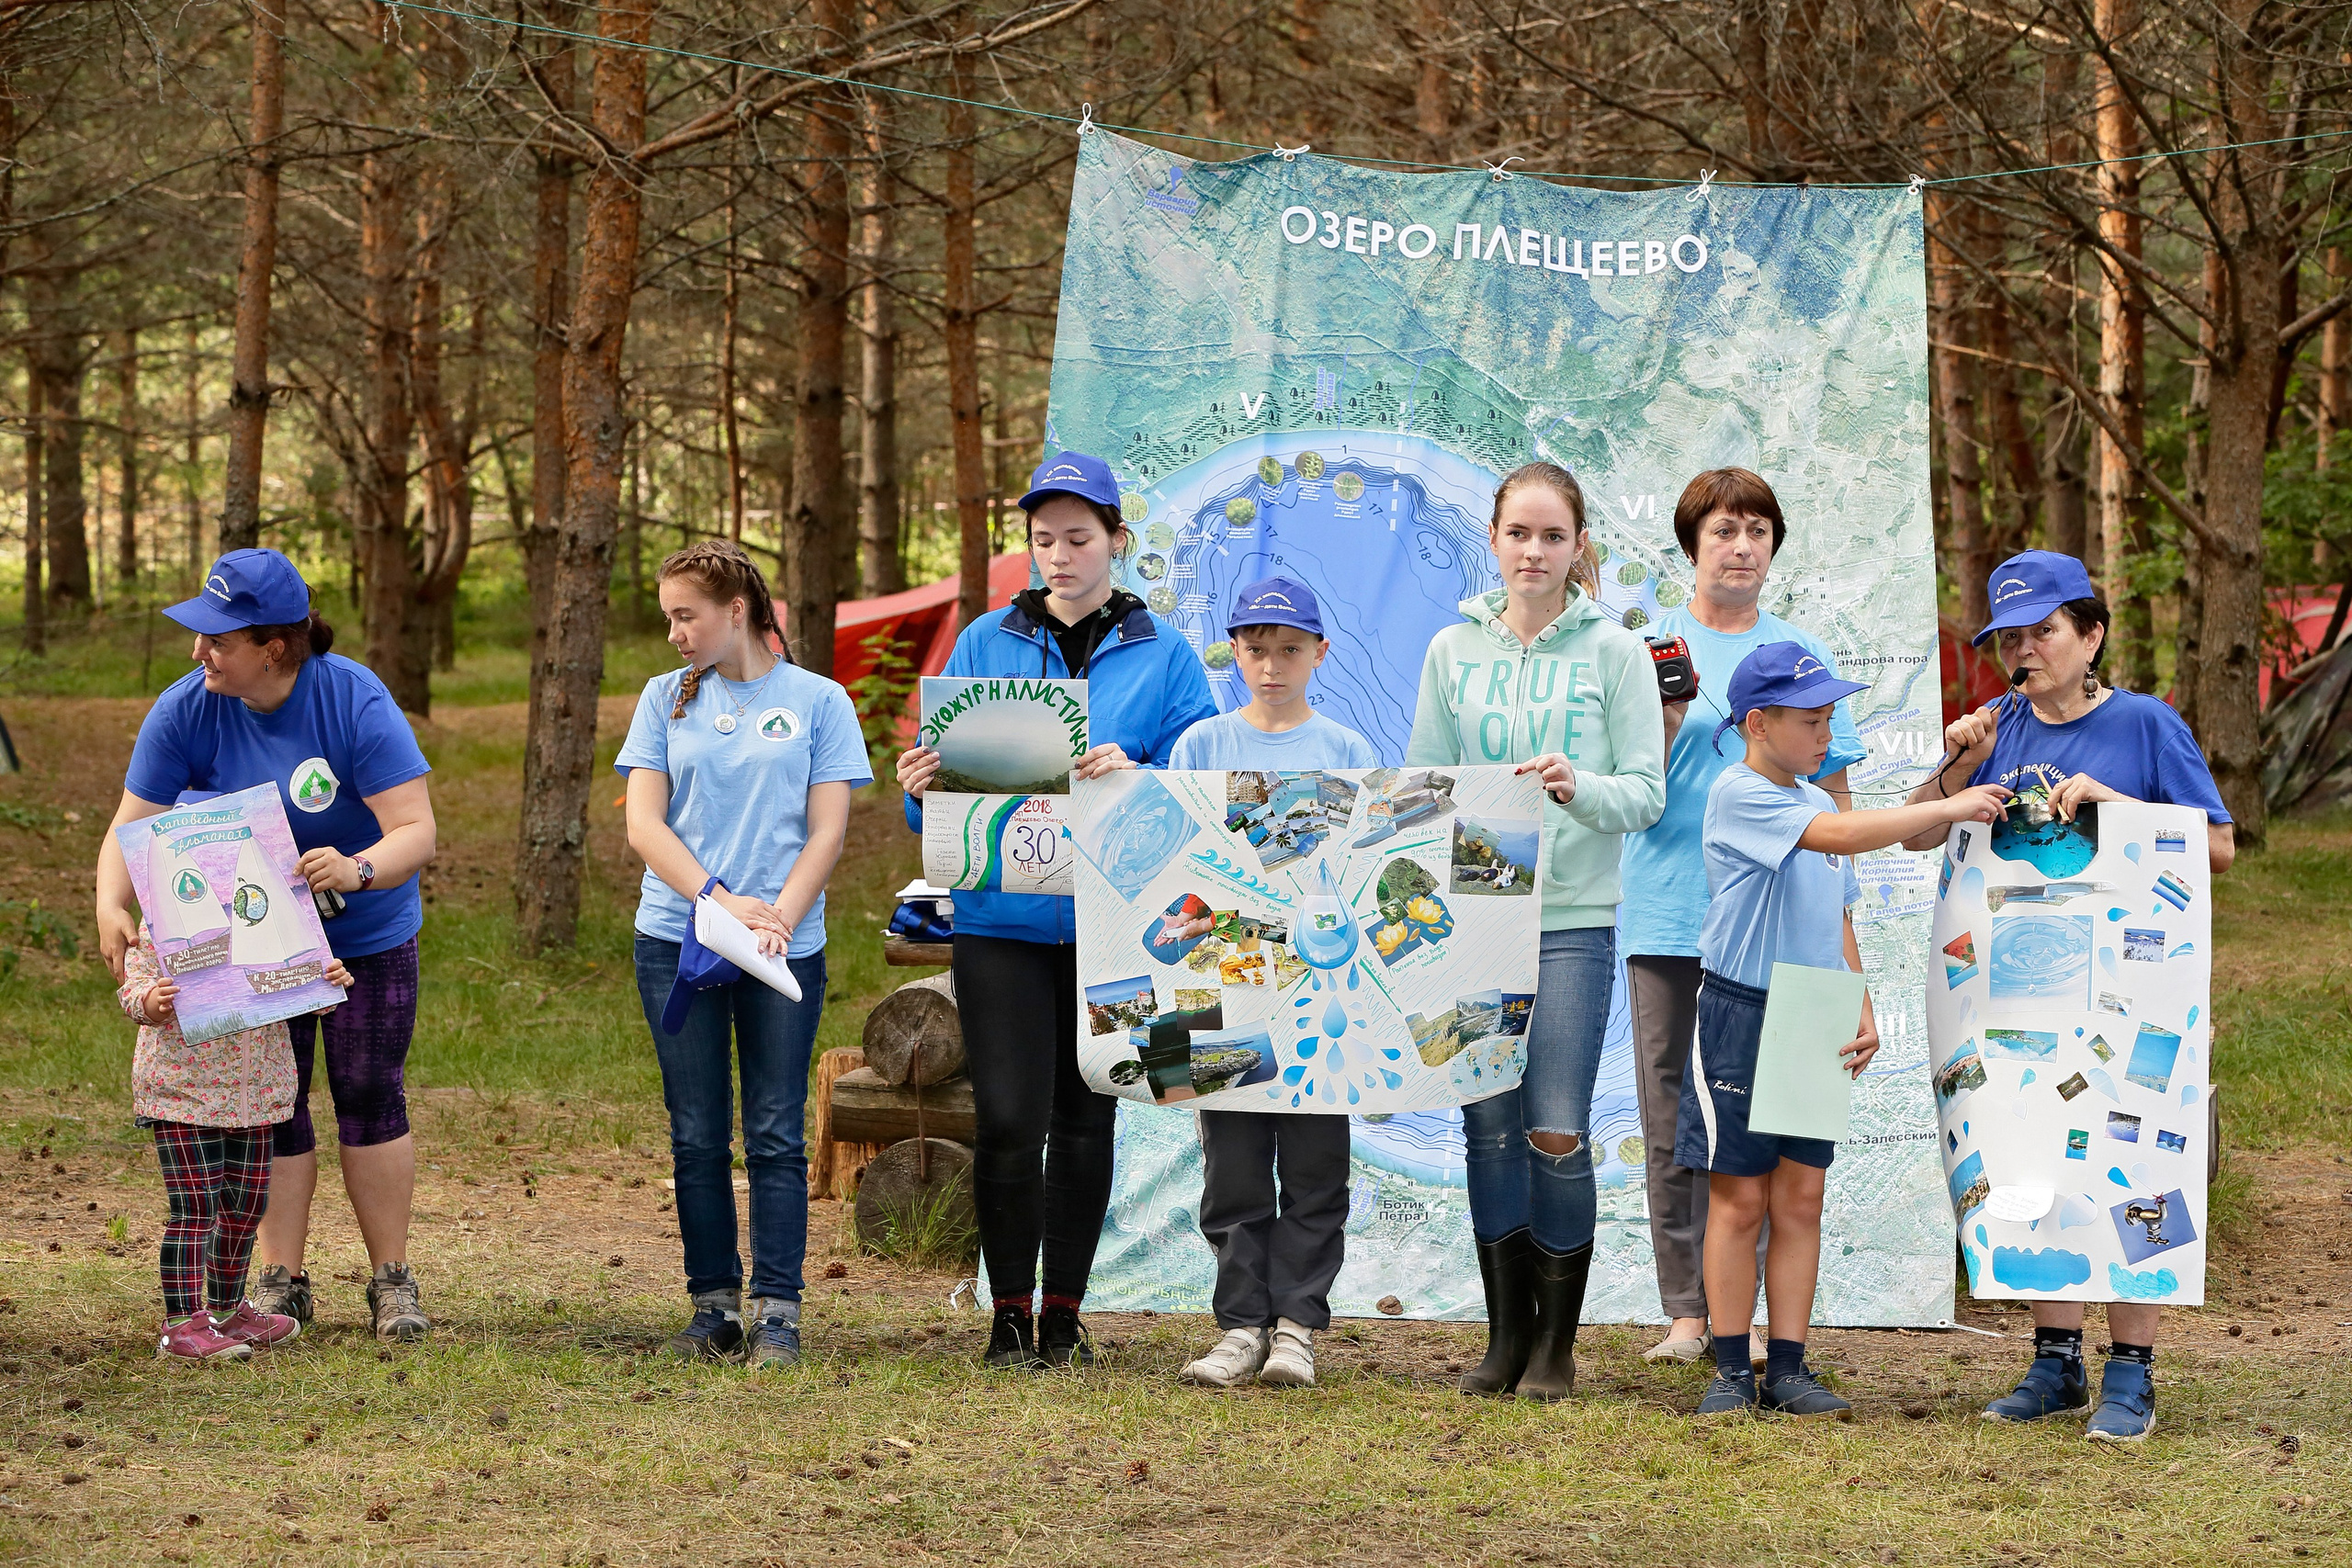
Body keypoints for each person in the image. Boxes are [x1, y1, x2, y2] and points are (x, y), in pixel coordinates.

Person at [1902, 550, 2235, 1442]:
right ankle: (2055, 1360)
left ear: (2090, 635)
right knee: (2033, 1160)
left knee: (2137, 1167)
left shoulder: (2146, 725)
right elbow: (1912, 835)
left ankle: (2131, 1373)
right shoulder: (1996, 724)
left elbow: (2216, 850)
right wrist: (1952, 766)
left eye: (2043, 631)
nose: (2025, 650)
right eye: (2010, 637)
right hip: (2023, 993)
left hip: (2128, 994)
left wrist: (2113, 805)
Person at [898, 451, 1216, 1370]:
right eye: (1044, 540)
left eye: (1080, 538)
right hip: (1001, 926)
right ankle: (1006, 1319)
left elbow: (1203, 790)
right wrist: (921, 786)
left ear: (1117, 541)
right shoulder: (983, 646)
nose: (1061, 557)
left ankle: (1065, 1321)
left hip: (1113, 927)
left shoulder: (1166, 655)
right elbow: (940, 803)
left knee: (1087, 1118)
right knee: (1005, 1120)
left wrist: (1141, 775)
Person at [96, 548, 438, 1342]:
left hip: (364, 937)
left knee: (367, 1093)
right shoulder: (187, 707)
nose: (198, 652)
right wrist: (110, 901)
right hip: (247, 957)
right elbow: (130, 824)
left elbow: (416, 831)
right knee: (270, 1108)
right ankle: (282, 1278)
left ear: (273, 648)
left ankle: (391, 1278)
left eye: (217, 639)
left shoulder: (352, 697)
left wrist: (356, 869)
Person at [1682, 642, 2009, 1418]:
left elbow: (1837, 898)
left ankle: (1787, 1366)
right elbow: (1839, 840)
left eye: (1830, 718)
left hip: (1815, 1008)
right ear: (1758, 724)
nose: (1827, 735)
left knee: (1801, 1198)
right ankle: (1731, 1367)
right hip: (1743, 1013)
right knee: (1739, 1201)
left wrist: (1855, 995)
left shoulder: (1817, 801)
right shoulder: (1740, 794)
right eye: (1812, 720)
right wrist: (1949, 804)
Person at [1405, 461, 1667, 1400]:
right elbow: (1420, 792)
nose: (1534, 552)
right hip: (1473, 918)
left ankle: (1555, 1350)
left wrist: (1574, 786)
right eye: (1519, 533)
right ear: (1493, 539)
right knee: (1488, 1129)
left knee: (1555, 1129)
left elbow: (1644, 794)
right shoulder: (1450, 651)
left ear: (1578, 546)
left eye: (1553, 536)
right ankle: (1504, 1341)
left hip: (1570, 924)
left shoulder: (1615, 653)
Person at [1619, 468, 1869, 1364]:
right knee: (1675, 1123)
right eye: (1725, 529)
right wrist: (1663, 716)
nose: (1741, 545)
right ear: (1692, 542)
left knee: (1779, 1128)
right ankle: (1689, 1313)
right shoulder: (1644, 649)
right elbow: (1625, 789)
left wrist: (1850, 956)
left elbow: (1837, 811)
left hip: (1782, 938)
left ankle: (1763, 1325)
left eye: (1758, 530)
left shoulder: (1798, 648)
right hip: (1665, 914)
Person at [618, 540, 870, 1370]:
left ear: (738, 610)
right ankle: (712, 1306)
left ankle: (778, 1311)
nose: (676, 634)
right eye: (668, 619)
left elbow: (828, 827)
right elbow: (645, 826)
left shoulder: (819, 700)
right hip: (675, 937)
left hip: (783, 946)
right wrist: (719, 902)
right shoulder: (664, 700)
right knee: (695, 1131)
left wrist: (779, 922)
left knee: (773, 1129)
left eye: (686, 615)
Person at [1170, 578, 1377, 1391]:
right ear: (1234, 654)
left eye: (1290, 648)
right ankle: (1238, 1324)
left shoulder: (1350, 752)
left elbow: (1366, 870)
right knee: (1234, 1163)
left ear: (1319, 653)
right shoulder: (1199, 747)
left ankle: (1297, 1324)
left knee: (1318, 1159)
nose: (1271, 664)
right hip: (1221, 989)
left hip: (1324, 993)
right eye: (1255, 648)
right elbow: (1172, 864)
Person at [122, 917, 355, 1360]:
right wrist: (151, 1001)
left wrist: (326, 984)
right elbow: (135, 986)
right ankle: (182, 1325)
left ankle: (227, 1311)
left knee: (245, 1208)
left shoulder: (270, 915)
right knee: (195, 1210)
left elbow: (299, 980)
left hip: (256, 1096)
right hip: (183, 1094)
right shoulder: (165, 918)